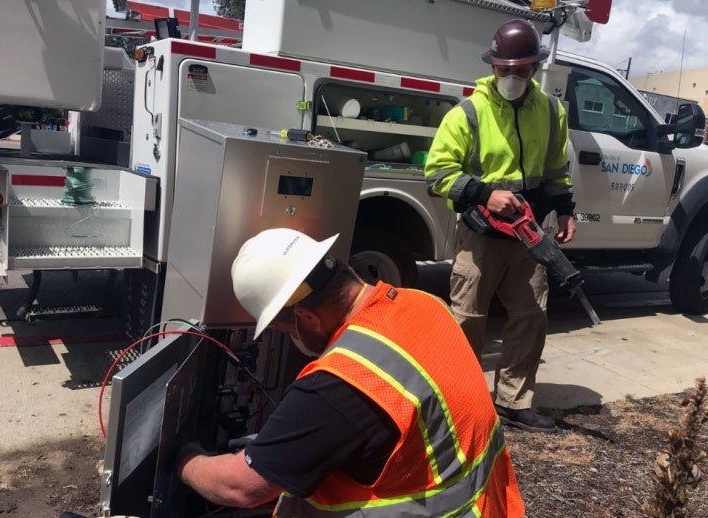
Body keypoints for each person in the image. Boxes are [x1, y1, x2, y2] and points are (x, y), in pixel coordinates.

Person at [177, 227, 525, 517]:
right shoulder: (424, 304)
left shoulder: (342, 380)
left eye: (286, 331)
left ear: (307, 318)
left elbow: (240, 487)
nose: (292, 339)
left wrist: (186, 461)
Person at [423, 19, 576, 433]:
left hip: (529, 237)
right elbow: (437, 174)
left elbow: (556, 169)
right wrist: (482, 192)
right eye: (503, 69)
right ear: (493, 66)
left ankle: (514, 401)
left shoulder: (549, 110)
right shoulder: (468, 112)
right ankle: (460, 398)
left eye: (520, 70)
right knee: (467, 317)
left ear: (534, 68)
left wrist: (564, 210)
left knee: (530, 315)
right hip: (481, 235)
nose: (511, 77)